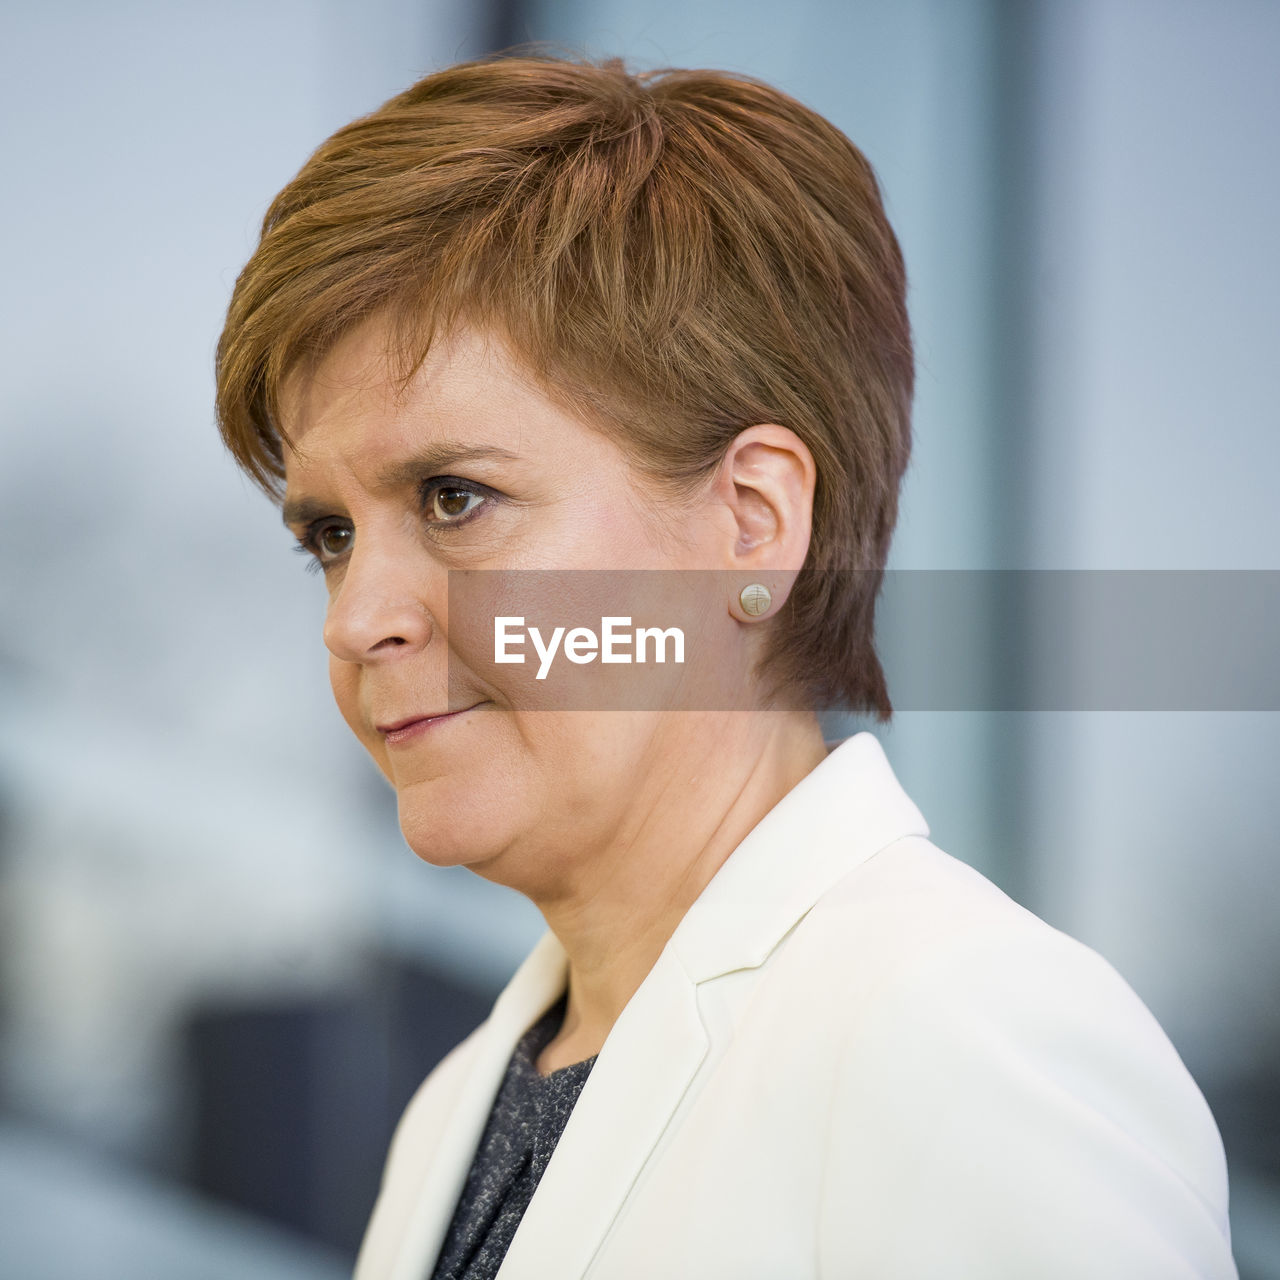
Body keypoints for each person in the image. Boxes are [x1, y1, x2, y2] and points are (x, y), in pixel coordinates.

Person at [214, 50, 1237, 1280]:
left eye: (454, 497)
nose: (356, 615)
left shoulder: (967, 1040)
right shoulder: (455, 1110)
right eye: (328, 535)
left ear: (749, 522)